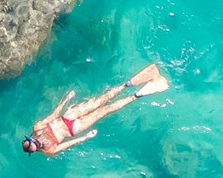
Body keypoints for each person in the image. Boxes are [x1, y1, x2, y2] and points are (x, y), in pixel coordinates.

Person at [22, 63, 169, 156]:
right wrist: (66, 99)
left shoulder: (49, 149)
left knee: (105, 109)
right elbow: (54, 114)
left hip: (74, 127)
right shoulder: (38, 129)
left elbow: (69, 142)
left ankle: (136, 95)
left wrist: (85, 137)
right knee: (101, 101)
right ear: (31, 138)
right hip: (69, 118)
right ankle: (128, 85)